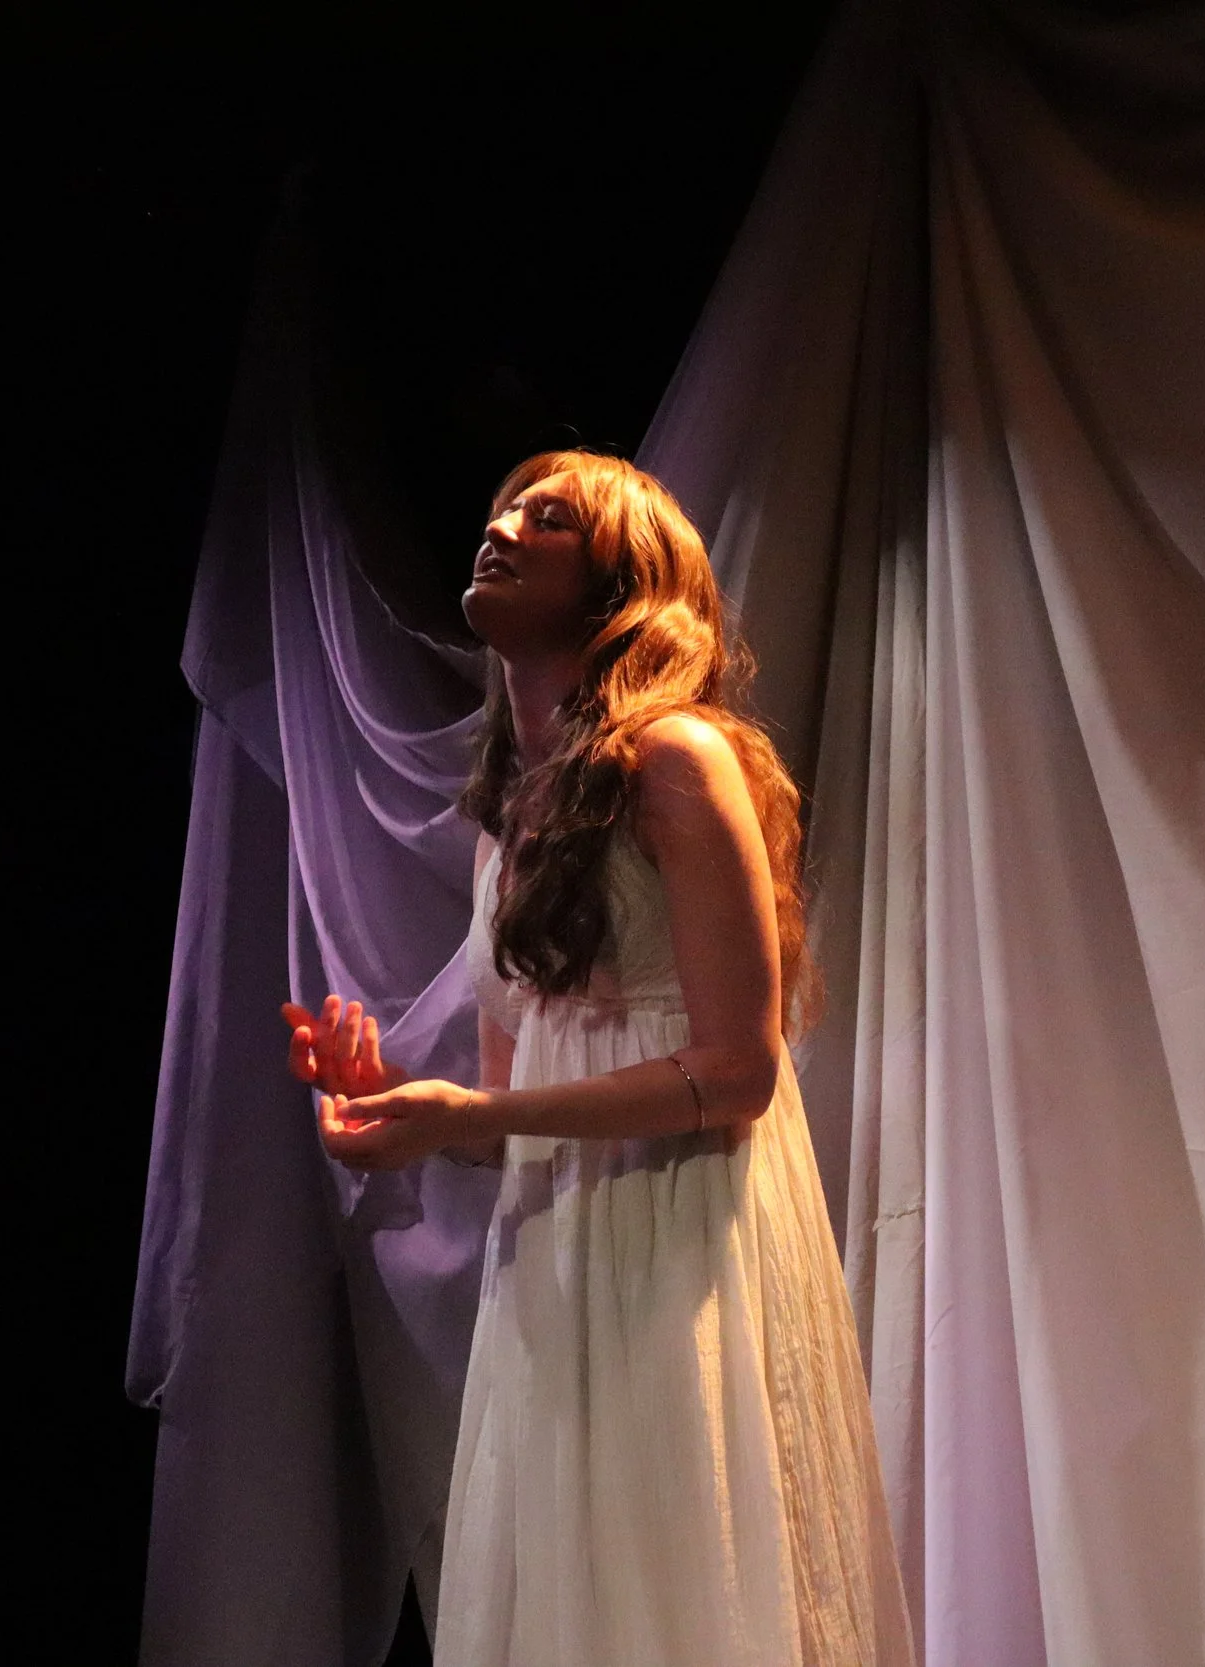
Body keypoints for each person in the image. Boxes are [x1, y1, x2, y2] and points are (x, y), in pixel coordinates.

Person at [280, 451, 913, 1666]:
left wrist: (468, 1108)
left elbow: (738, 1067)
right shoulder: (507, 824)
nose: (501, 526)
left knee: (684, 1583)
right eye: (499, 506)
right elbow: (513, 1112)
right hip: (561, 1253)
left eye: (546, 514)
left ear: (618, 580)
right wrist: (393, 1107)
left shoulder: (677, 760)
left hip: (679, 1228)